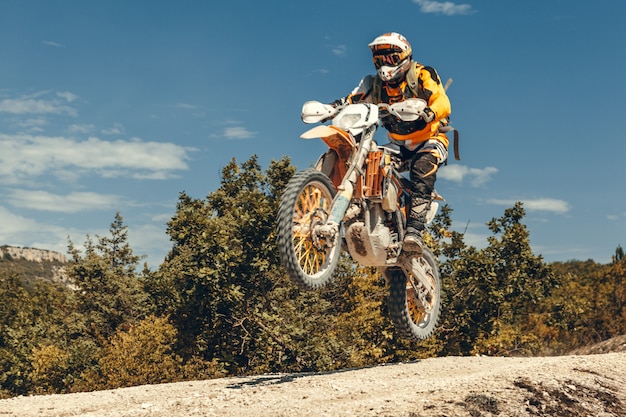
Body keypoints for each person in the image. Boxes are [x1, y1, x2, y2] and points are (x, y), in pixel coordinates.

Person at [330, 32, 452, 254]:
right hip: (397, 143)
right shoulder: (375, 85)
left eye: (390, 58)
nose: (384, 64)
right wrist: (332, 108)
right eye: (380, 60)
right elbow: (353, 98)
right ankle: (365, 217)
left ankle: (415, 230)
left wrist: (430, 111)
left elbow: (441, 99)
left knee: (422, 168)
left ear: (404, 57)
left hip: (430, 139)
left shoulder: (423, 73)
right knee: (369, 164)